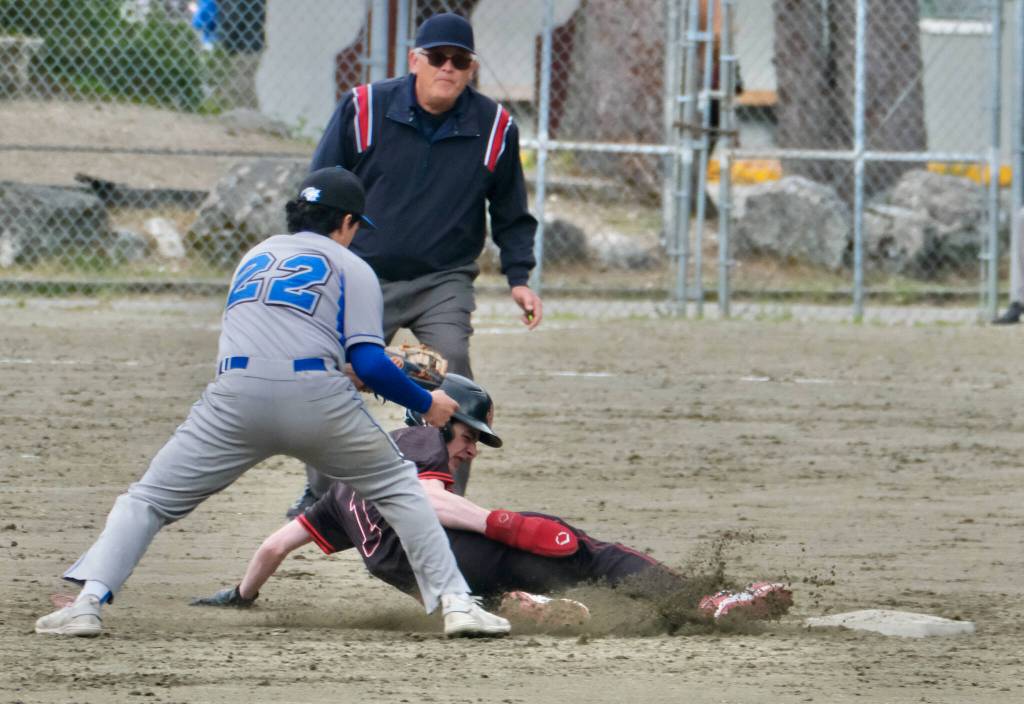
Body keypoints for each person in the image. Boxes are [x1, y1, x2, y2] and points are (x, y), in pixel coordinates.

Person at [34, 167, 509, 639]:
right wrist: (427, 402)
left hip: (234, 397)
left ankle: (88, 602)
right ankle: (456, 605)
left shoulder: (254, 257)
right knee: (399, 489)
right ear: (345, 221)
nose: (355, 235)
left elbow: (276, 340)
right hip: (317, 403)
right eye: (356, 226)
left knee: (147, 500)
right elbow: (369, 362)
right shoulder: (352, 266)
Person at [193, 375, 793, 627]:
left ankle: (516, 608)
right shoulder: (417, 437)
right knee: (592, 555)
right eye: (468, 435)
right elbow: (427, 501)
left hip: (443, 587)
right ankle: (710, 599)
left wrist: (241, 596)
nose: (471, 448)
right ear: (442, 418)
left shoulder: (335, 491)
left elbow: (273, 546)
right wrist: (501, 522)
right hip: (466, 554)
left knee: (524, 595)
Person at [289, 11, 542, 509]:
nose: (448, 67)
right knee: (330, 378)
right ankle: (318, 498)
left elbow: (511, 210)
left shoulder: (494, 127)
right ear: (414, 61)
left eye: (460, 59)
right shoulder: (363, 108)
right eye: (437, 57)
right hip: (361, 274)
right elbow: (321, 189)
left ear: (471, 68)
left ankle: (447, 500)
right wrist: (311, 256)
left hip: (442, 278)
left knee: (458, 380)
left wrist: (520, 277)